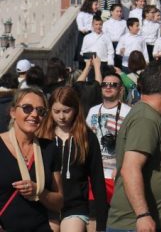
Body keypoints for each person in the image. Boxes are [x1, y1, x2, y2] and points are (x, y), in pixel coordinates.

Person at [107, 61, 161, 232]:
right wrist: (143, 215)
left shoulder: (151, 117)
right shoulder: (145, 118)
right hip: (135, 225)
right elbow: (130, 168)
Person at [38, 86, 107, 232]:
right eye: (56, 112)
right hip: (45, 205)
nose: (61, 117)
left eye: (66, 111)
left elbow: (97, 179)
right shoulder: (41, 136)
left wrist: (101, 221)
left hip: (75, 206)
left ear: (76, 109)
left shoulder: (87, 138)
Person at [0, 88, 63, 231]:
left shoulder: (50, 148)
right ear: (12, 112)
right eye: (27, 108)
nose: (34, 115)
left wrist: (39, 192)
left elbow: (59, 201)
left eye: (40, 111)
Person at [86, 71, 132, 204]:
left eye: (113, 85)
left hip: (117, 175)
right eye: (104, 84)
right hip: (95, 175)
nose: (108, 87)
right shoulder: (93, 110)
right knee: (95, 216)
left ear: (121, 89)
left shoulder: (129, 112)